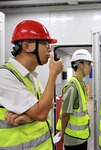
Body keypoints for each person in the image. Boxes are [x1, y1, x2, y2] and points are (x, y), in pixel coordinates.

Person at [0, 20, 63, 149]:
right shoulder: (5, 76)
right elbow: (41, 113)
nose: (49, 49)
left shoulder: (29, 76)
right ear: (27, 46)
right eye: (45, 44)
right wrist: (53, 74)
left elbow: (48, 104)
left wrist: (30, 117)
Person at [56, 49, 93, 150]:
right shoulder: (72, 87)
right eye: (89, 64)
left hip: (82, 136)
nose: (91, 67)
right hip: (73, 139)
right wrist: (62, 132)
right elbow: (65, 113)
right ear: (80, 65)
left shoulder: (81, 83)